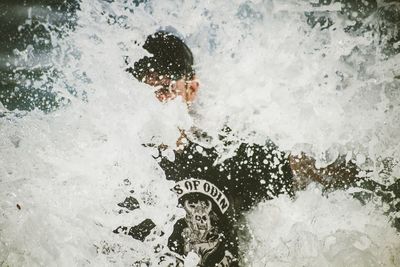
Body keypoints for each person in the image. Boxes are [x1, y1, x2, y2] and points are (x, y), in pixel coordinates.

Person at [116, 31, 365, 266]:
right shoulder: (122, 171)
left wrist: (372, 176)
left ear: (191, 90)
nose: (155, 100)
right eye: (145, 91)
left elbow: (303, 169)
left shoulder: (222, 154)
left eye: (164, 89)